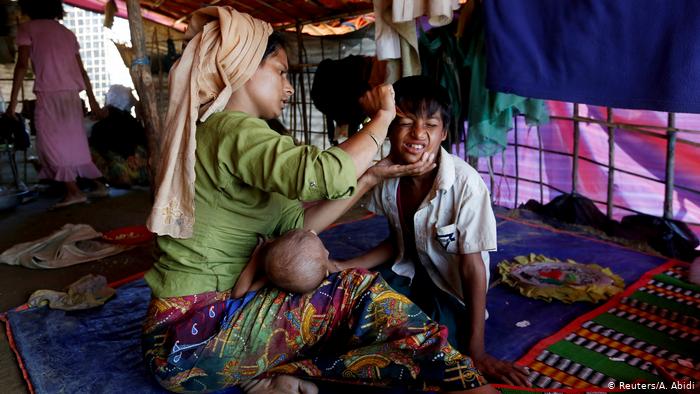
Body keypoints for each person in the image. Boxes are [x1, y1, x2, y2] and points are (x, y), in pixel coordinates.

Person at [142, 7, 495, 393]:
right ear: (241, 67)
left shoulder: (222, 133)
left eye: (429, 126)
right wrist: (381, 118)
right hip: (196, 341)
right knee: (358, 293)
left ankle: (264, 379)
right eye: (280, 72)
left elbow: (300, 226)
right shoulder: (233, 129)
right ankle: (469, 383)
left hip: (186, 341)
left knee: (310, 277)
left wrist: (372, 175)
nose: (289, 87)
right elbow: (323, 176)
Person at [339, 76, 531, 387]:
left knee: (433, 346)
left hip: (450, 293)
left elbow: (473, 267)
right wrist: (343, 265)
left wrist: (477, 351)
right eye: (406, 122)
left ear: (443, 133)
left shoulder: (466, 185)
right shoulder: (387, 175)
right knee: (357, 307)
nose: (418, 134)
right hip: (407, 275)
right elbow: (398, 241)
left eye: (430, 125)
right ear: (389, 126)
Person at [5, 0, 108, 209]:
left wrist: (12, 104)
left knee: (48, 142)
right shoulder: (66, 33)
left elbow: (22, 65)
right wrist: (94, 102)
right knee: (74, 142)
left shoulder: (27, 28)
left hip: (49, 93)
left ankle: (74, 191)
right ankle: (98, 185)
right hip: (71, 94)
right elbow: (82, 71)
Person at [232, 229, 333, 297]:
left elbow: (238, 294)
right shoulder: (276, 276)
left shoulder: (272, 276)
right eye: (324, 249)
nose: (327, 252)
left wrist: (255, 258)